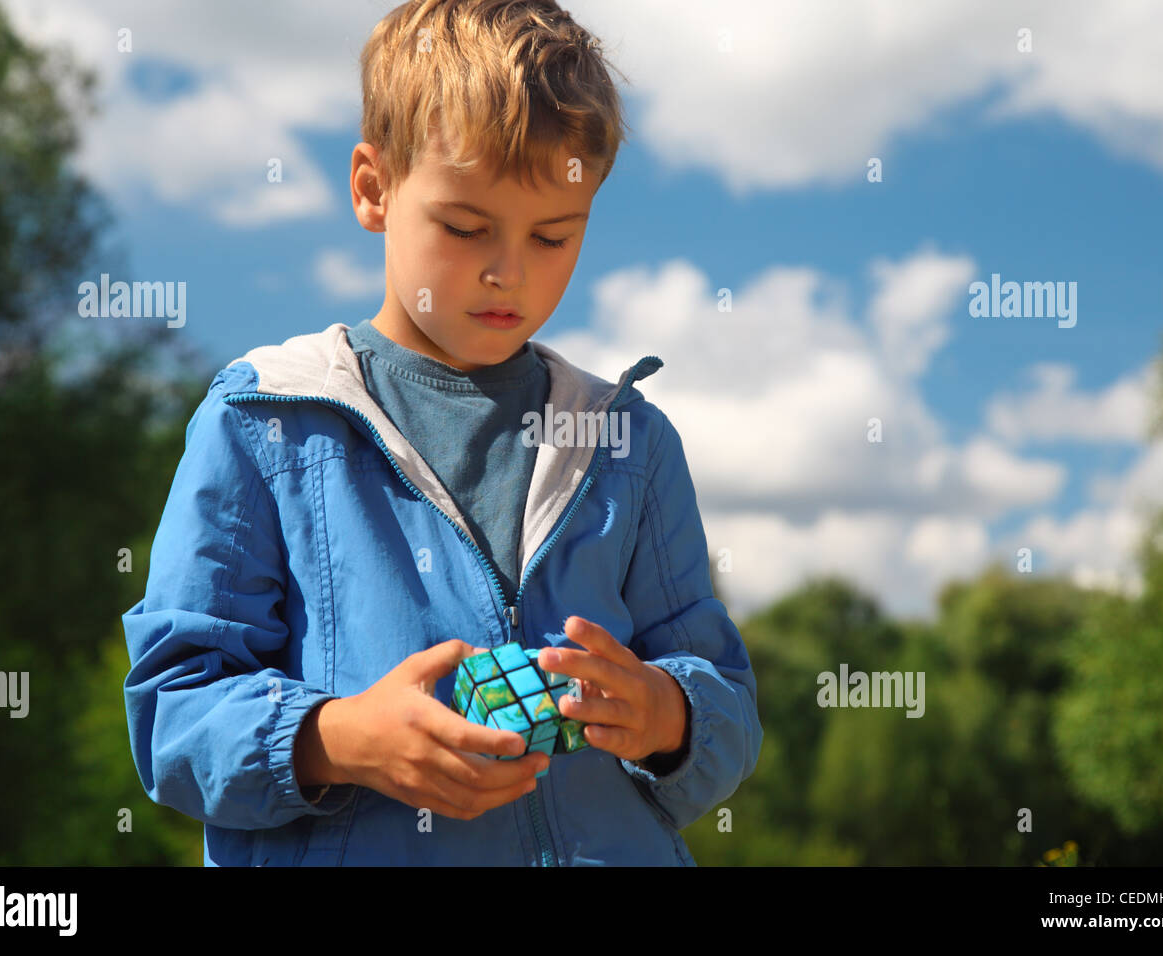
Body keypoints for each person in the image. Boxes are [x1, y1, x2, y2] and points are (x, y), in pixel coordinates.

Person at [121, 0, 761, 866]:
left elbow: (725, 702)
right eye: (465, 228)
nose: (509, 271)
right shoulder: (263, 420)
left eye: (553, 234)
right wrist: (340, 738)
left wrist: (666, 714)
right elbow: (173, 713)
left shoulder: (631, 443)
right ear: (373, 188)